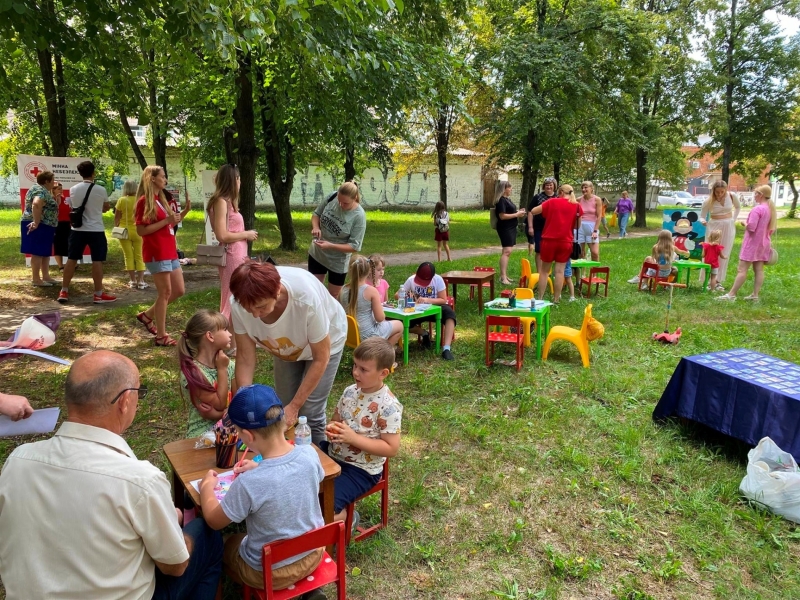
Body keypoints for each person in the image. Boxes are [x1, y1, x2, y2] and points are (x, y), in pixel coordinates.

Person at [0, 350, 223, 599]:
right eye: (140, 392)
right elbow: (175, 565)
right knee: (207, 536)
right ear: (125, 401)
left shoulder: (18, 461)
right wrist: (170, 526)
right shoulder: (140, 480)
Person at [199, 384, 325, 598]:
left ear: (247, 436)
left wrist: (205, 490)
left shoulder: (249, 483)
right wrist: (261, 468)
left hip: (268, 573)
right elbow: (296, 479)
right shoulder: (310, 454)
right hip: (312, 554)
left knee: (225, 542)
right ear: (283, 420)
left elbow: (214, 520)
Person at [230, 261, 347, 444]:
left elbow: (320, 358)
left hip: (325, 343)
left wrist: (295, 406)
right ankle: (288, 460)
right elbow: (245, 357)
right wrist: (244, 400)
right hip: (286, 345)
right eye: (248, 309)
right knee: (281, 408)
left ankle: (319, 467)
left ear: (277, 291)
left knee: (310, 413)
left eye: (261, 307)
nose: (254, 315)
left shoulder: (305, 299)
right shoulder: (239, 303)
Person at [322, 337, 402, 527]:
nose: (356, 372)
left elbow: (391, 448)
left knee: (323, 508)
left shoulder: (389, 406)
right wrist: (333, 428)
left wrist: (353, 438)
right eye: (355, 365)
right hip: (334, 454)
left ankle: (348, 520)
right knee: (300, 473)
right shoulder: (350, 391)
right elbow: (336, 418)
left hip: (361, 470)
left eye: (363, 369)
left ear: (383, 373)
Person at [135, 165, 190, 347]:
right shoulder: (144, 201)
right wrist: (167, 220)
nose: (165, 179)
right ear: (152, 178)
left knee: (179, 290)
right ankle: (161, 335)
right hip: (156, 252)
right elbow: (141, 230)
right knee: (165, 292)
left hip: (169, 250)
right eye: (162, 176)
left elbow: (169, 224)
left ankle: (147, 315)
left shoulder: (161, 199)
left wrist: (185, 212)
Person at [208, 164, 258, 342]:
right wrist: (247, 234)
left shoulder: (228, 202)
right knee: (232, 298)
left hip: (238, 253)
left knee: (235, 296)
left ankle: (232, 340)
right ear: (233, 180)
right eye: (238, 178)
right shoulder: (221, 202)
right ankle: (223, 338)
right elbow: (222, 235)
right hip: (232, 255)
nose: (240, 182)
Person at [58, 161, 116, 304]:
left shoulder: (73, 189)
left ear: (80, 173)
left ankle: (64, 291)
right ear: (93, 173)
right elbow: (105, 207)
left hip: (77, 229)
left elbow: (73, 206)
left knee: (71, 259)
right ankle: (98, 293)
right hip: (96, 229)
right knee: (97, 260)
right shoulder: (101, 190)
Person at [178, 309, 236, 438]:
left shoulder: (229, 364)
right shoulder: (193, 372)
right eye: (225, 330)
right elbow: (220, 403)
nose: (230, 334)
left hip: (230, 432)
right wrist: (222, 370)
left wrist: (217, 414)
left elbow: (238, 400)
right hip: (201, 436)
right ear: (210, 336)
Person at [717, 185, 776, 302]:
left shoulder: (757, 209)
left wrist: (744, 223)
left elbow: (752, 227)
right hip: (764, 243)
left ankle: (732, 294)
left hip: (752, 243)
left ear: (761, 195)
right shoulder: (770, 209)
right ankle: (755, 295)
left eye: (756, 193)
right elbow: (771, 229)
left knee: (742, 269)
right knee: (759, 270)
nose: (754, 196)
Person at [308, 181, 367, 299]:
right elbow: (316, 214)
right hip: (317, 253)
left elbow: (354, 246)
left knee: (334, 296)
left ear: (355, 198)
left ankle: (332, 317)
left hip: (337, 261)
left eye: (345, 203)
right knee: (313, 289)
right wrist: (316, 227)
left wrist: (330, 245)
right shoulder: (332, 196)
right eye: (339, 201)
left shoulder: (359, 216)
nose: (341, 205)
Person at [527, 184, 582, 304]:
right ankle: (556, 300)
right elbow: (578, 226)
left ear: (561, 191)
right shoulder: (577, 206)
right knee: (559, 272)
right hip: (565, 242)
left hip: (548, 241)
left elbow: (533, 211)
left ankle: (540, 299)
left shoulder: (552, 202)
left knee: (544, 271)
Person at [398, 262, 457, 361]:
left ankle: (446, 348)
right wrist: (407, 295)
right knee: (401, 322)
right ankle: (424, 333)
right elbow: (397, 295)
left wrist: (427, 300)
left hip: (435, 308)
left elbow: (443, 299)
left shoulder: (438, 279)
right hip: (416, 310)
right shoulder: (411, 279)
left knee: (450, 314)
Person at [340, 255, 403, 346]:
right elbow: (380, 318)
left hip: (349, 334)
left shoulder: (343, 289)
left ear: (350, 270)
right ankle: (382, 354)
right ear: (369, 270)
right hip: (368, 335)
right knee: (399, 325)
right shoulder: (371, 291)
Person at [700, 180, 741, 291]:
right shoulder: (709, 201)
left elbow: (737, 207)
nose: (719, 194)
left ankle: (718, 281)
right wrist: (703, 221)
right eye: (717, 192)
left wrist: (733, 219)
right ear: (713, 191)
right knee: (711, 253)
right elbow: (702, 216)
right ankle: (708, 280)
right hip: (714, 226)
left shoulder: (732, 196)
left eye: (722, 192)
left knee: (724, 252)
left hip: (728, 226)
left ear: (726, 190)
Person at [20, 170, 59, 287]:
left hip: (46, 225)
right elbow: (36, 204)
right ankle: (36, 279)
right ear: (46, 181)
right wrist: (36, 222)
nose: (54, 183)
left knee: (44, 252)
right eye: (52, 181)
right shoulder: (40, 190)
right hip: (40, 225)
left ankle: (46, 276)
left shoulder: (42, 190)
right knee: (37, 252)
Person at [115, 179, 148, 289]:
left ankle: (132, 280)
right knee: (140, 256)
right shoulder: (141, 200)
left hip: (124, 230)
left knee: (128, 256)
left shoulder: (122, 200)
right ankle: (141, 281)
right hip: (138, 231)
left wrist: (117, 226)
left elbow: (117, 217)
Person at [494, 180, 525, 285]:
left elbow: (509, 212)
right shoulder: (501, 200)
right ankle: (503, 277)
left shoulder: (507, 199)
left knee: (507, 251)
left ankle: (504, 275)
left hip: (510, 227)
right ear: (504, 189)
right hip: (505, 228)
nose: (511, 189)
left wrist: (518, 212)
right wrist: (517, 215)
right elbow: (502, 216)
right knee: (507, 251)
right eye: (509, 187)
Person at [526, 177, 557, 271]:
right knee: (539, 250)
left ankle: (548, 271)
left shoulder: (558, 197)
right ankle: (540, 272)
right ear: (544, 186)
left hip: (553, 228)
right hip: (539, 227)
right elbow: (530, 212)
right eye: (547, 185)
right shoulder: (537, 197)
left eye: (550, 184)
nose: (548, 187)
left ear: (554, 186)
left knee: (551, 250)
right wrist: (530, 227)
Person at [578, 181, 602, 261]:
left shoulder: (597, 199)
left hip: (592, 227)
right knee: (580, 253)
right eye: (582, 188)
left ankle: (594, 273)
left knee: (595, 252)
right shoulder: (578, 200)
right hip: (580, 227)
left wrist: (595, 230)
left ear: (591, 188)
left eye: (586, 187)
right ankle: (582, 273)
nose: (583, 189)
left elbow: (599, 216)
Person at [52, 181, 70, 270]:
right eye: (59, 189)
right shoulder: (50, 200)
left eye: (61, 188)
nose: (61, 190)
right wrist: (57, 202)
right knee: (58, 245)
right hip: (57, 225)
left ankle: (72, 264)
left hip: (67, 224)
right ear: (53, 190)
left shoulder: (66, 200)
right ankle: (60, 266)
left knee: (69, 244)